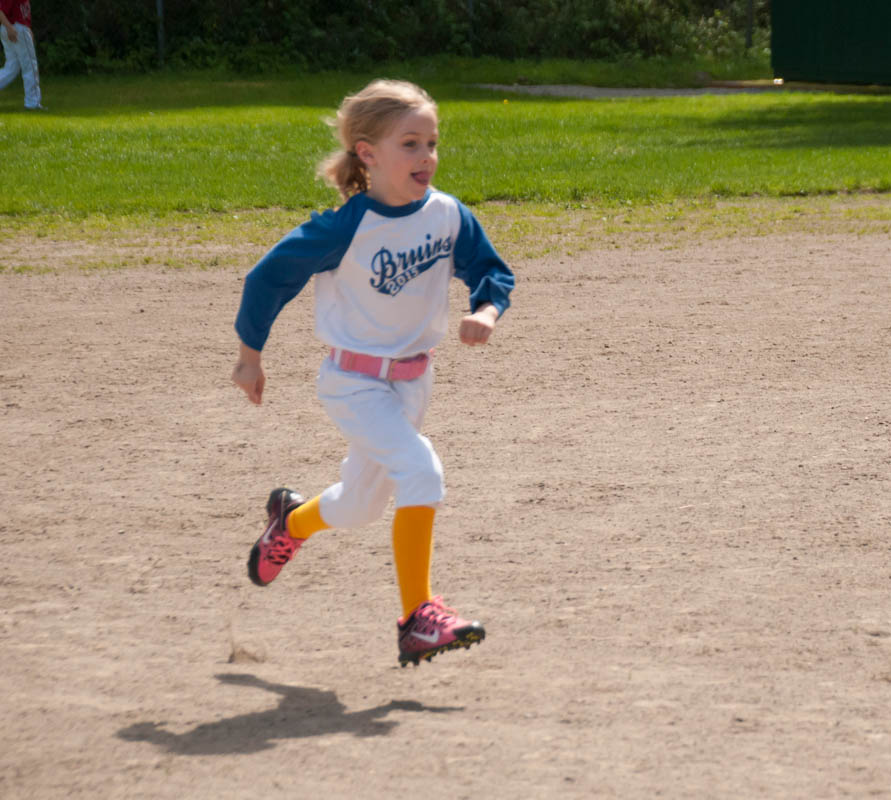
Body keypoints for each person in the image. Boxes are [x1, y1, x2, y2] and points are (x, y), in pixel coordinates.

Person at [231, 79, 514, 667]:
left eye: (431, 143)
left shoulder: (447, 215)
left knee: (359, 507)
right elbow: (268, 279)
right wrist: (249, 357)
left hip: (412, 381)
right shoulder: (346, 227)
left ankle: (292, 520)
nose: (426, 157)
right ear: (368, 154)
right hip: (353, 383)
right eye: (409, 144)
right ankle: (418, 618)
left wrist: (485, 309)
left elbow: (490, 269)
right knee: (421, 470)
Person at [0, 0, 43, 110]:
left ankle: (32, 101)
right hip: (15, 28)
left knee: (12, 67)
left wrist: (28, 29)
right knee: (30, 66)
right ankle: (32, 103)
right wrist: (9, 27)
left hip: (15, 28)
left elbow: (22, 13)